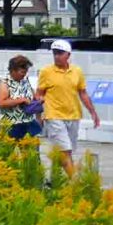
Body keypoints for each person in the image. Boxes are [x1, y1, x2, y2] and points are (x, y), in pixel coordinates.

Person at [36, 39, 99, 174]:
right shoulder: (46, 72)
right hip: (54, 115)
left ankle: (54, 180)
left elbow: (83, 93)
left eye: (60, 53)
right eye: (55, 53)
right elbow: (39, 94)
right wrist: (39, 114)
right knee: (65, 151)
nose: (57, 56)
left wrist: (93, 113)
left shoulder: (77, 71)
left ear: (68, 55)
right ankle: (74, 182)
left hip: (73, 115)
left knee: (66, 151)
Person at [0, 54, 41, 138]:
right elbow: (1, 102)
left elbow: (32, 95)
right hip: (9, 124)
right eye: (22, 72)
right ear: (13, 70)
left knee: (31, 150)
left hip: (27, 122)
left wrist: (37, 100)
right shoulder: (4, 81)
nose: (24, 74)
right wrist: (21, 100)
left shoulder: (25, 79)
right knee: (6, 150)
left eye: (26, 71)